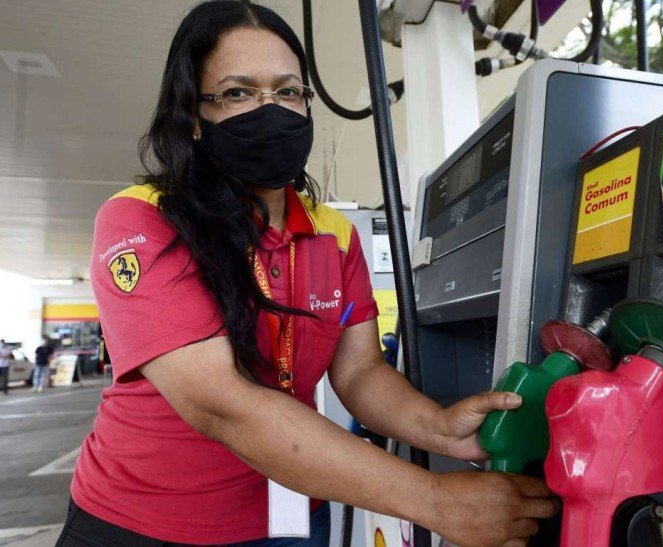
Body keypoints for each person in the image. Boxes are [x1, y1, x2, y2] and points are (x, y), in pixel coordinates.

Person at [57, 2, 558, 546]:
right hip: (139, 525)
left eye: (288, 91)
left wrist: (438, 429)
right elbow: (220, 403)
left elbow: (360, 371)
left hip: (294, 516)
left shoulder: (335, 235)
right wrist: (435, 500)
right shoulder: (142, 218)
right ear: (193, 118)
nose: (269, 109)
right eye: (238, 92)